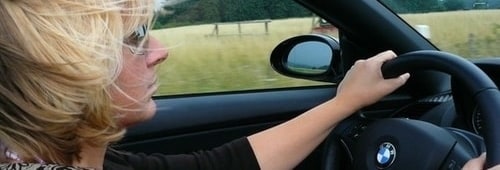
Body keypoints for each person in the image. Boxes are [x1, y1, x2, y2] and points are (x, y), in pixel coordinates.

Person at [0, 0, 493, 170]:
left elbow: (219, 165)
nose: (159, 51)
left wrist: (345, 103)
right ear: (66, 72)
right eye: (135, 38)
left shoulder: (77, 155)